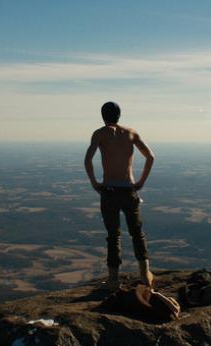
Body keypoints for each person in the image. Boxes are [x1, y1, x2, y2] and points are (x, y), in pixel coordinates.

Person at [84, 101, 155, 291]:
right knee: (137, 233)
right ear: (119, 115)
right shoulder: (131, 133)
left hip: (109, 191)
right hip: (129, 190)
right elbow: (150, 156)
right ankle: (145, 275)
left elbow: (87, 160)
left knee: (113, 236)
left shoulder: (99, 134)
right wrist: (140, 182)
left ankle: (114, 279)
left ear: (103, 115)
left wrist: (94, 184)